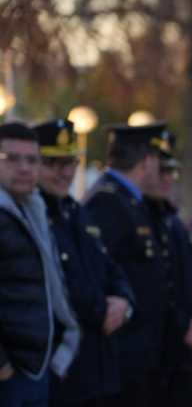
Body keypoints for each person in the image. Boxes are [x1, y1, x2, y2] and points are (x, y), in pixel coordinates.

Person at [32, 120, 135, 407]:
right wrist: (102, 310)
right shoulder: (35, 214)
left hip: (99, 366)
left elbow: (110, 267)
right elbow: (63, 282)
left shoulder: (74, 210)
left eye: (71, 162)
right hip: (64, 370)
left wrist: (124, 302)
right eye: (53, 163)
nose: (65, 172)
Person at [83, 123, 175, 406]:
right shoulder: (106, 202)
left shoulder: (130, 201)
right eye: (158, 161)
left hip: (141, 347)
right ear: (147, 161)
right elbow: (101, 270)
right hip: (124, 349)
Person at [0, 122, 80, 406]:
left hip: (35, 369)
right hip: (11, 374)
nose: (24, 167)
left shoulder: (33, 209)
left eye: (32, 159)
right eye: (11, 158)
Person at [141, 132, 192, 407]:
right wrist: (183, 322)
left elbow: (191, 275)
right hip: (157, 347)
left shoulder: (170, 217)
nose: (168, 178)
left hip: (181, 346)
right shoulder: (139, 215)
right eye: (162, 171)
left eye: (172, 171)